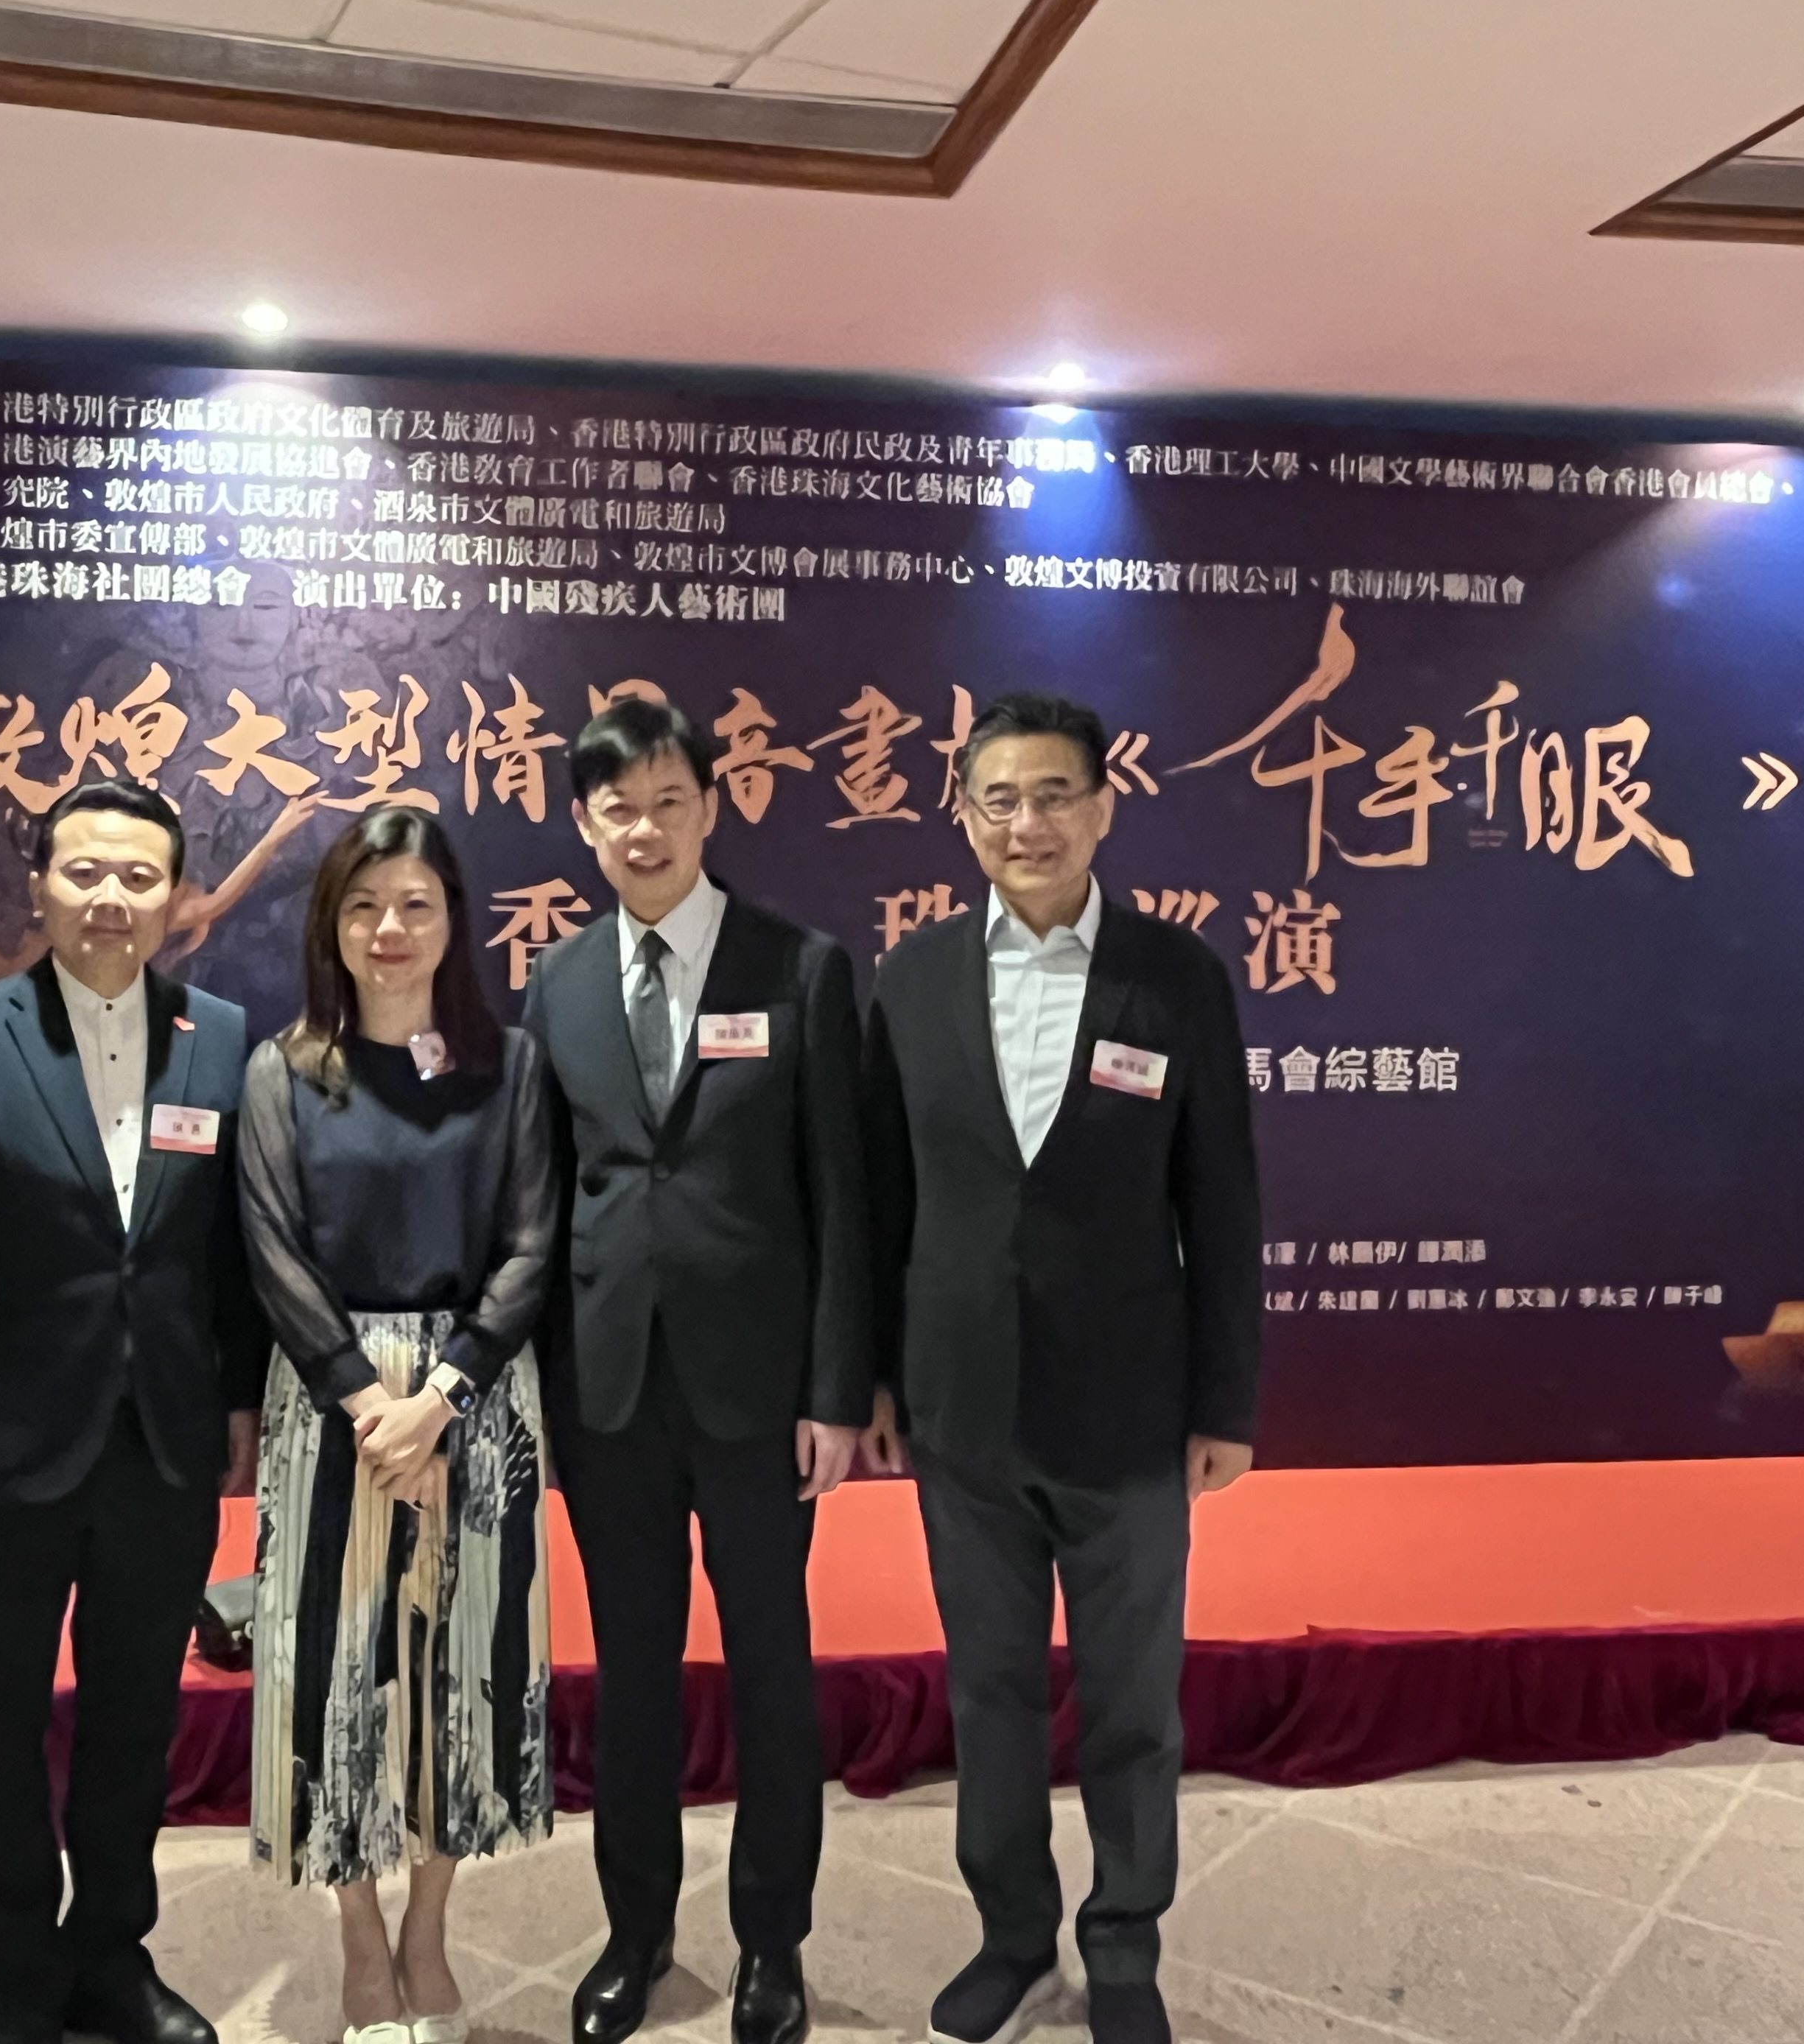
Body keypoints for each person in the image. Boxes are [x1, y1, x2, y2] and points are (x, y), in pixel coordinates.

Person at [863, 692, 1263, 2044]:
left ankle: (1125, 1942)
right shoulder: (912, 978)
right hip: (960, 1405)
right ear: (962, 816)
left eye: (1052, 795)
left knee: (1134, 1699)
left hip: (1131, 1406)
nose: (1025, 823)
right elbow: (879, 1198)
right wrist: (872, 1379)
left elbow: (1223, 1202)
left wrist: (1225, 1400)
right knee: (989, 1689)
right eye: (999, 798)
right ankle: (1012, 1936)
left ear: (1101, 809)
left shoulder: (1175, 975)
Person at [0, 777, 264, 2044]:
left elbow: (229, 1253)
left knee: (133, 1721)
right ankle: (22, 1986)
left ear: (178, 897)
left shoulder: (221, 1035)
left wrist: (240, 1401)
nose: (111, 898)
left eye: (139, 877)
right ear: (39, 885)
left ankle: (112, 1956)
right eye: (85, 872)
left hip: (161, 1443)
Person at [519, 698, 867, 2044]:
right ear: (583, 825)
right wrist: (539, 1391)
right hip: (608, 1389)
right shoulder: (556, 984)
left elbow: (842, 1197)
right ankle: (637, 1931)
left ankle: (772, 1940)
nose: (646, 830)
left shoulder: (801, 968)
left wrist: (835, 1391)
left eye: (670, 801)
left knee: (771, 1664)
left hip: (760, 1394)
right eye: (618, 808)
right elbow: (542, 1201)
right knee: (634, 1672)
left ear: (710, 808)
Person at [239, 805, 557, 2044]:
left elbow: (531, 1244)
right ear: (331, 922)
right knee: (336, 1673)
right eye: (363, 905)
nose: (389, 928)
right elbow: (271, 1249)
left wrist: (444, 1398)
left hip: (473, 1399)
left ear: (452, 920)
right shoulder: (285, 1069)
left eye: (415, 904)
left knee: (460, 1672)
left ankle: (430, 1933)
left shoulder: (508, 1064)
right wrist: (373, 1403)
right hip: (334, 1406)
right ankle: (362, 1943)